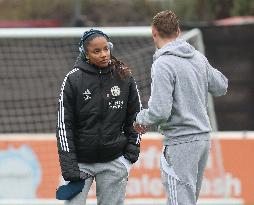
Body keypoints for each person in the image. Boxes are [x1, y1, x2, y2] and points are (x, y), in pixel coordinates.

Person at [134, 10, 228, 205]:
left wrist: (140, 119)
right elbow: (221, 86)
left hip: (181, 141)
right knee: (187, 200)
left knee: (180, 201)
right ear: (178, 32)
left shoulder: (163, 63)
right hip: (202, 139)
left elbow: (160, 111)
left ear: (154, 32)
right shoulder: (197, 57)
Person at [56, 29, 141, 205]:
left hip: (114, 161)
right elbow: (64, 125)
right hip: (79, 163)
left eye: (106, 49)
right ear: (85, 54)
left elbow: (136, 118)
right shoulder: (73, 79)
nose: (104, 54)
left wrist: (128, 157)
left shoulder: (124, 76)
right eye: (97, 51)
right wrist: (70, 167)